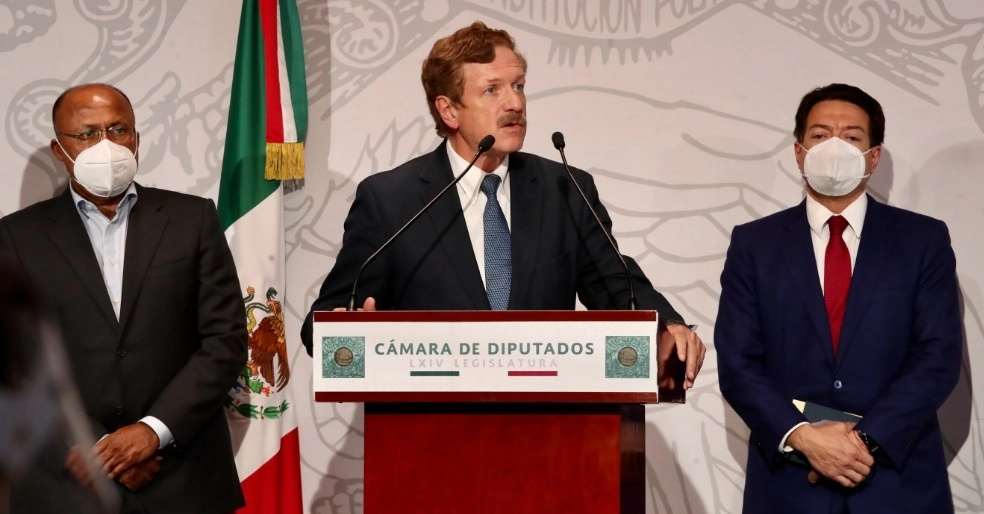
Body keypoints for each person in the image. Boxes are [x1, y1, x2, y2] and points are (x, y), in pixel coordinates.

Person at [300, 21, 705, 386]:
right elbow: (326, 322)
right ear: (448, 109)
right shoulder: (392, 199)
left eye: (519, 86)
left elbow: (618, 288)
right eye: (492, 90)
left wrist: (668, 324)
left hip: (553, 437)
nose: (515, 103)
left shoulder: (565, 188)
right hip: (429, 442)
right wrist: (345, 328)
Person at [0, 83, 247, 513]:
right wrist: (99, 447)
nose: (106, 144)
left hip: (185, 476)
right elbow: (17, 360)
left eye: (118, 129)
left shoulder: (193, 219)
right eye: (88, 133)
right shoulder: (16, 237)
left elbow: (224, 341)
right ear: (60, 150)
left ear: (137, 139)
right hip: (68, 481)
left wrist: (153, 431)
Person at [715, 83, 961, 513]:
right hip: (789, 483)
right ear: (798, 150)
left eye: (851, 137)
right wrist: (806, 438)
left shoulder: (923, 239)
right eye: (820, 134)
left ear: (874, 155)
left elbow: (937, 357)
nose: (834, 146)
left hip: (897, 481)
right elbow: (738, 362)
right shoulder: (754, 244)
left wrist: (859, 443)